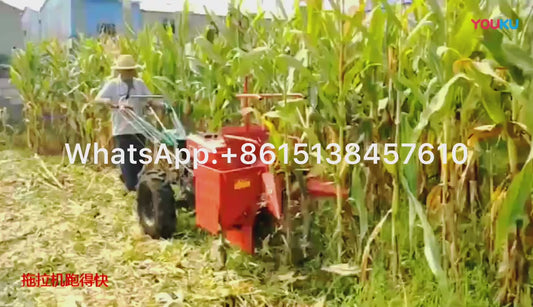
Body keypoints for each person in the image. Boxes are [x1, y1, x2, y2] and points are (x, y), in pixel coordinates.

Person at [95, 54, 161, 192]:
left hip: (140, 129)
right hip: (122, 131)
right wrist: (107, 101)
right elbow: (98, 99)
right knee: (127, 162)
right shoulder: (113, 85)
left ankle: (132, 183)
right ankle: (130, 184)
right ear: (119, 71)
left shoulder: (139, 84)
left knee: (138, 162)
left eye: (130, 70)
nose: (128, 73)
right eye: (126, 70)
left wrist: (159, 104)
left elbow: (148, 99)